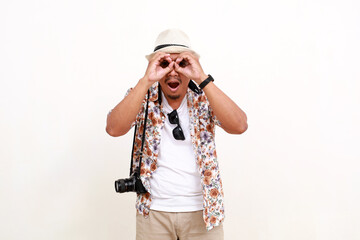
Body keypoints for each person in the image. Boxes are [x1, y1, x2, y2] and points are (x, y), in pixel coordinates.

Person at [106, 29, 248, 240]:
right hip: (153, 212)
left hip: (204, 212)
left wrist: (202, 78)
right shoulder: (143, 96)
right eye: (164, 64)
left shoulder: (204, 95)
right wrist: (146, 80)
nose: (172, 72)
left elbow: (239, 125)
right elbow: (113, 128)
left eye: (181, 64)